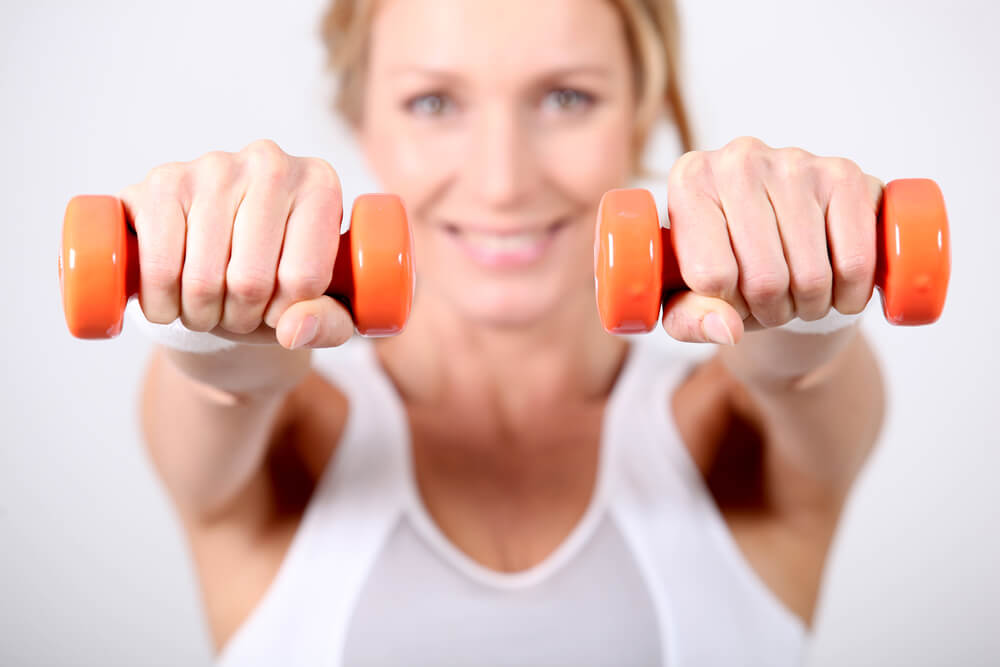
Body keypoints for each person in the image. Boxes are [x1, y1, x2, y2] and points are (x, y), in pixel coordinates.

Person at [124, 0, 887, 664]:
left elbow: (799, 372)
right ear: (362, 123)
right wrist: (223, 330)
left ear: (643, 113)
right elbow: (225, 387)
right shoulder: (288, 439)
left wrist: (809, 305)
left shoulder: (733, 434)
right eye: (432, 103)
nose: (503, 180)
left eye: (565, 97)